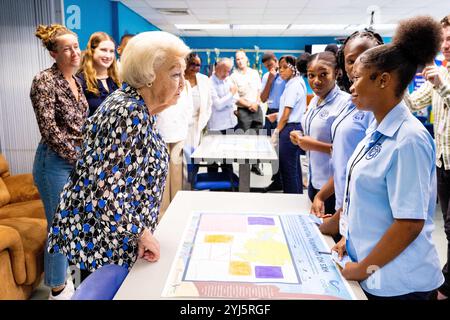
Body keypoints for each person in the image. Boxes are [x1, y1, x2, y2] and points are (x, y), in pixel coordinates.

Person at [47, 31, 190, 282]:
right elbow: (104, 189)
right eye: (176, 74)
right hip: (106, 240)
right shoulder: (128, 112)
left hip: (119, 235)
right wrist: (140, 234)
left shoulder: (139, 107)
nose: (183, 83)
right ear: (148, 77)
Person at [333, 16, 444, 300]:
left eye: (357, 78)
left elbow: (409, 223)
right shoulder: (376, 127)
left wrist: (363, 268)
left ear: (383, 80)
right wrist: (350, 240)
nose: (352, 85)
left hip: (400, 285)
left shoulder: (409, 139)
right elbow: (369, 203)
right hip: (373, 271)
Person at [30, 24, 88, 299]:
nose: (75, 53)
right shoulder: (44, 81)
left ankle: (68, 281)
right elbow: (50, 131)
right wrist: (80, 158)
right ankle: (57, 289)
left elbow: (80, 126)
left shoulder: (76, 81)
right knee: (59, 225)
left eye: (76, 46)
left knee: (72, 221)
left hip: (75, 160)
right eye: (67, 49)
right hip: (53, 162)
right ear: (54, 54)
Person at [312, 31, 383, 237]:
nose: (358, 66)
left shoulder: (378, 109)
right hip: (343, 208)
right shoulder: (351, 103)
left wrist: (342, 220)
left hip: (362, 218)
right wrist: (322, 195)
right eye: (351, 61)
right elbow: (345, 163)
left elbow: (370, 178)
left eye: (366, 57)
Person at [403, 14, 450, 300]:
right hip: (443, 161)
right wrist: (401, 79)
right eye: (444, 40)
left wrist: (441, 84)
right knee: (448, 225)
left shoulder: (442, 77)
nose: (445, 45)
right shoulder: (440, 71)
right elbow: (413, 103)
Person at [291, 51, 350, 214]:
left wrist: (312, 145)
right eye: (311, 75)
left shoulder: (346, 104)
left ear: (337, 72)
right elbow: (315, 131)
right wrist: (300, 136)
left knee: (330, 236)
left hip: (333, 187)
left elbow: (348, 152)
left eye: (323, 74)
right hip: (313, 180)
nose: (316, 81)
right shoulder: (315, 100)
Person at [156, 78, 193, 218]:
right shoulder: (160, 79)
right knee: (164, 174)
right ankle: (162, 213)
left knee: (177, 174)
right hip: (161, 132)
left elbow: (189, 107)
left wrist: (184, 126)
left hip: (179, 133)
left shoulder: (187, 85)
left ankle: (177, 210)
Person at [271, 55, 307, 194]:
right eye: (279, 68)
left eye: (285, 67)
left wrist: (277, 131)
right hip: (292, 127)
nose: (281, 71)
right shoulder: (294, 83)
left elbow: (287, 114)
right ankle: (296, 196)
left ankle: (291, 200)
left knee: (288, 169)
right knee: (294, 167)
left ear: (294, 69)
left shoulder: (294, 85)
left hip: (289, 129)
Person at [231, 50, 264, 175]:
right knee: (244, 140)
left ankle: (256, 165)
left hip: (257, 109)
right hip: (243, 110)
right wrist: (250, 105)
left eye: (241, 58)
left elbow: (259, 91)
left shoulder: (254, 73)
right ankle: (243, 168)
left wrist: (256, 103)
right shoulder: (233, 76)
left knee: (258, 139)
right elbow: (234, 96)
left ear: (246, 59)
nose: (239, 61)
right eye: (237, 59)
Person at [77, 32, 121, 116]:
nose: (108, 55)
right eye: (103, 50)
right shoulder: (80, 82)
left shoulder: (118, 80)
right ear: (91, 51)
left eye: (111, 51)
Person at [183, 52, 212, 177]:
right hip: (181, 125)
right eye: (192, 64)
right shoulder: (179, 78)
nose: (195, 67)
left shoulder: (204, 80)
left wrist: (203, 122)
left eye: (198, 65)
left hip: (197, 125)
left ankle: (192, 182)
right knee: (181, 159)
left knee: (194, 157)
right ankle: (183, 186)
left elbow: (209, 104)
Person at [260, 52, 286, 191]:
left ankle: (281, 180)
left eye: (270, 65)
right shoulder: (266, 77)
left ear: (276, 61)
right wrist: (270, 80)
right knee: (271, 148)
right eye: (266, 67)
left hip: (282, 113)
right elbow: (263, 98)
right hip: (270, 113)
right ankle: (276, 179)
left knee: (282, 148)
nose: (269, 68)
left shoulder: (285, 75)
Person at [207, 58, 238, 175]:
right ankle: (212, 184)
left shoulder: (228, 79)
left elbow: (235, 99)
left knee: (228, 157)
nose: (227, 74)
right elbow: (218, 105)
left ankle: (229, 184)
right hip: (216, 126)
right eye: (225, 71)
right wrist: (231, 94)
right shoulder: (209, 83)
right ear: (217, 68)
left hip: (230, 123)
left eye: (229, 71)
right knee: (213, 159)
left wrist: (230, 99)